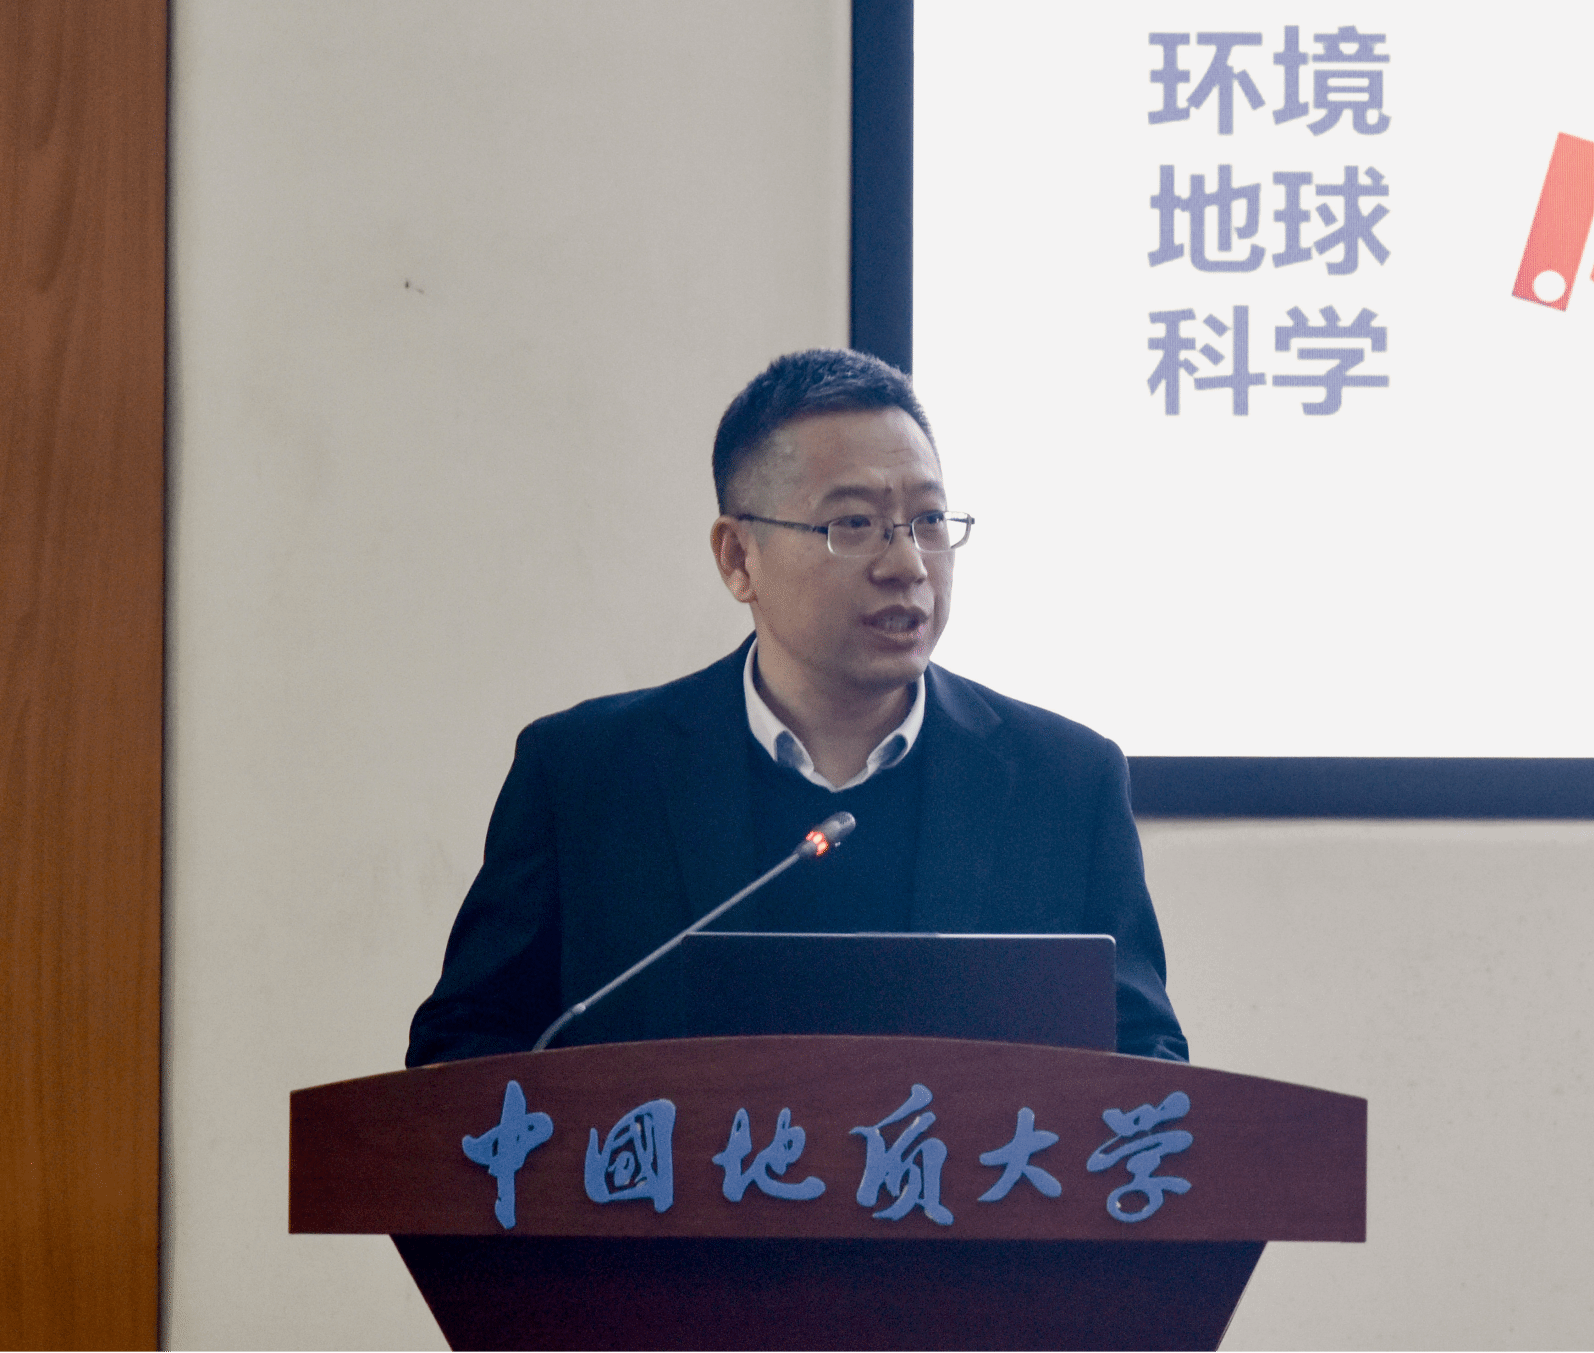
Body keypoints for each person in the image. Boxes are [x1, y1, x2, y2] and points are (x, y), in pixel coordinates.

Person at [406, 349, 1186, 1065]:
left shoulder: (1064, 783)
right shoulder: (586, 778)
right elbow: (464, 1053)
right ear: (738, 557)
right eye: (854, 524)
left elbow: (1149, 1068)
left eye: (928, 521)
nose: (908, 564)